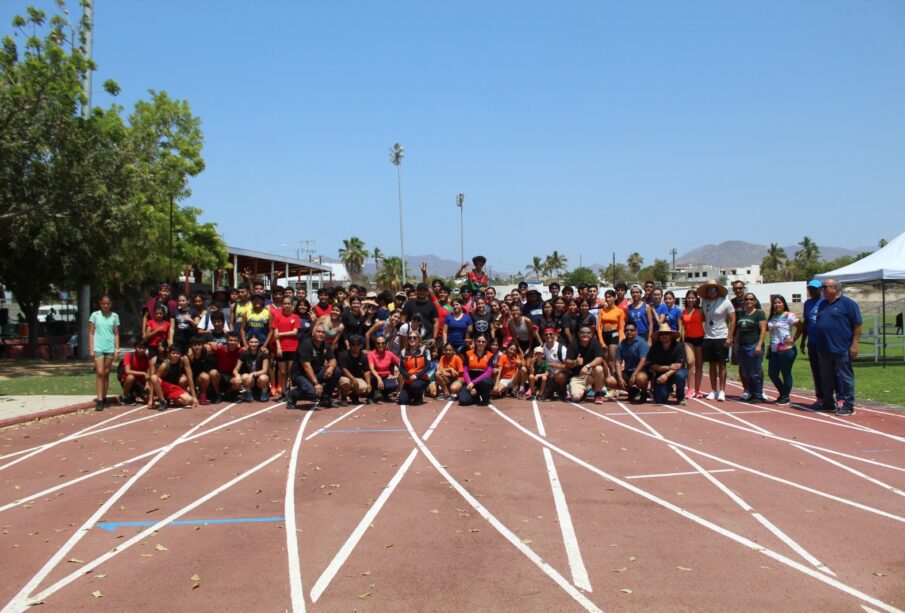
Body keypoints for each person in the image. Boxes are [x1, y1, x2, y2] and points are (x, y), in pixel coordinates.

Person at [814, 278, 862, 415]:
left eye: (825, 287)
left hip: (842, 348)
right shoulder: (822, 304)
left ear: (835, 288)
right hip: (824, 348)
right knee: (826, 377)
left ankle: (848, 404)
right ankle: (828, 401)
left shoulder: (848, 304)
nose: (822, 290)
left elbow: (857, 325)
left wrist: (854, 345)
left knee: (845, 377)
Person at [288, 324, 340, 409]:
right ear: (313, 333)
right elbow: (306, 366)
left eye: (323, 332)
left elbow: (333, 359)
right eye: (318, 332)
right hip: (300, 374)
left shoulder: (325, 345)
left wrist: (330, 368)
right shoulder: (305, 344)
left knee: (336, 371)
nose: (321, 334)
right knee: (312, 393)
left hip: (316, 373)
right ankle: (292, 394)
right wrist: (316, 383)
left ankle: (325, 399)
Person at [699, 280, 735, 401]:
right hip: (709, 337)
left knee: (722, 365)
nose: (711, 291)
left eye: (714, 289)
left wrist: (730, 336)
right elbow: (703, 318)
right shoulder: (704, 302)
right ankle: (713, 390)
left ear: (718, 290)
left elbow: (733, 320)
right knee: (711, 365)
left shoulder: (726, 302)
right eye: (709, 289)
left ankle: (722, 391)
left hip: (722, 336)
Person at [766, 295, 801, 405]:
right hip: (774, 349)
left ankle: (785, 397)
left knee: (786, 373)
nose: (777, 305)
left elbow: (801, 327)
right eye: (775, 303)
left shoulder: (788, 315)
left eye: (779, 302)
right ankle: (783, 393)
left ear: (784, 304)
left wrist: (794, 339)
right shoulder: (773, 317)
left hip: (786, 349)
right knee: (772, 373)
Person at [88, 295, 120, 411]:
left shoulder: (115, 316)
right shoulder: (95, 315)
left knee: (106, 373)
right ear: (100, 304)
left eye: (108, 304)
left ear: (110, 304)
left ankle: (104, 397)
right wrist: (91, 349)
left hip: (110, 348)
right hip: (98, 347)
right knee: (100, 372)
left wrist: (117, 349)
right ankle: (99, 399)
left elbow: (116, 334)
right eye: (103, 304)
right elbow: (91, 333)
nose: (106, 306)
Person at [734, 292, 767, 403]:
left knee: (755, 372)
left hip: (753, 345)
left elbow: (763, 330)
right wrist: (736, 343)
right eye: (746, 299)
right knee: (746, 372)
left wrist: (759, 345)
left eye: (751, 299)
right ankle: (751, 393)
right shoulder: (742, 314)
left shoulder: (759, 314)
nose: (749, 301)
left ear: (755, 301)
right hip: (742, 345)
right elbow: (738, 330)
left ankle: (758, 395)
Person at [606, 322, 650, 403]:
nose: (629, 332)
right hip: (628, 371)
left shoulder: (642, 343)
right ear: (624, 332)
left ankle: (644, 392)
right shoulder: (621, 344)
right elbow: (618, 362)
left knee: (641, 378)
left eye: (631, 330)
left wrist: (634, 375)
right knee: (609, 381)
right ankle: (632, 391)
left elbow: (643, 360)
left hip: (641, 371)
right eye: (627, 330)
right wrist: (619, 377)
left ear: (636, 331)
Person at [800, 280, 826, 409]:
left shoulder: (825, 301)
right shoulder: (808, 303)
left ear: (820, 289)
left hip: (825, 343)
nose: (812, 291)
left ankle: (835, 399)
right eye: (810, 289)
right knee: (816, 371)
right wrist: (803, 341)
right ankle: (820, 397)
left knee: (828, 372)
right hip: (812, 342)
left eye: (814, 289)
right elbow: (806, 322)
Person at [565, 325, 608, 404]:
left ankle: (598, 394)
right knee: (576, 398)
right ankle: (584, 392)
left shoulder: (595, 343)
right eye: (582, 332)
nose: (585, 334)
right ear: (578, 334)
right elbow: (567, 362)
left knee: (599, 369)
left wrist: (587, 366)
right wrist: (575, 362)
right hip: (578, 376)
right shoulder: (573, 344)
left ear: (591, 335)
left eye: (588, 333)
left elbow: (599, 359)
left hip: (591, 374)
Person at [646, 324, 688, 405]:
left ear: (671, 335)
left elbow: (678, 365)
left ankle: (680, 397)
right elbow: (652, 365)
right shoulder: (655, 346)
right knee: (660, 400)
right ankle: (668, 388)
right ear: (659, 336)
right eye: (661, 334)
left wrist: (666, 375)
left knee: (681, 375)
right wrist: (669, 367)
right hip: (661, 375)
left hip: (676, 372)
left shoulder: (679, 346)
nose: (664, 335)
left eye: (666, 333)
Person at [149, 344, 197, 411]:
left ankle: (170, 400)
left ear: (180, 354)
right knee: (154, 377)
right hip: (164, 387)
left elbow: (189, 376)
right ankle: (163, 401)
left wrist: (194, 397)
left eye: (177, 353)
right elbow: (154, 381)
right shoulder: (165, 365)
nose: (175, 355)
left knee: (190, 400)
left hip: (174, 387)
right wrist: (150, 399)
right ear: (169, 354)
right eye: (173, 353)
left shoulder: (182, 361)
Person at [271, 295, 302, 398]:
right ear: (282, 305)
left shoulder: (295, 317)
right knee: (283, 372)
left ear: (292, 305)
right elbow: (275, 334)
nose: (287, 305)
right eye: (285, 303)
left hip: (293, 347)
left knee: (291, 372)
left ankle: (291, 393)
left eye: (289, 304)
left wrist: (281, 334)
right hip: (281, 348)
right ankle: (284, 392)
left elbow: (295, 332)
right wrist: (278, 347)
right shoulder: (277, 316)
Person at [682, 290, 705, 399]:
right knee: (690, 363)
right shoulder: (684, 312)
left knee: (699, 365)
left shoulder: (700, 311)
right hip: (688, 339)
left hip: (700, 339)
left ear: (696, 299)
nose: (691, 299)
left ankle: (697, 389)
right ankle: (690, 389)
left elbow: (705, 322)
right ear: (686, 299)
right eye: (689, 298)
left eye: (693, 298)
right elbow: (681, 327)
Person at [459, 336, 495, 406]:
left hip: (482, 381)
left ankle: (485, 400)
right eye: (478, 341)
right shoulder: (468, 353)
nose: (480, 343)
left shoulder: (490, 355)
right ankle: (476, 397)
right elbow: (465, 371)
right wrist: (470, 385)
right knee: (463, 401)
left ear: (486, 343)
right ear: (475, 342)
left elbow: (488, 373)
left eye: (483, 342)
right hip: (470, 380)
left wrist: (474, 383)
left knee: (486, 381)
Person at [398, 330, 431, 405]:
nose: (412, 339)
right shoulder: (403, 352)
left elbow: (428, 366)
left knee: (415, 385)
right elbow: (401, 368)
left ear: (418, 339)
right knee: (402, 401)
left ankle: (418, 398)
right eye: (410, 338)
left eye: (414, 337)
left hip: (421, 379)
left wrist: (416, 376)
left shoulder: (425, 351)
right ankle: (412, 394)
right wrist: (409, 376)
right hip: (408, 380)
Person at [338, 334, 373, 406]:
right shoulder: (343, 355)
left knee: (364, 387)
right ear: (349, 345)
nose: (355, 346)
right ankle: (343, 398)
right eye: (353, 344)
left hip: (357, 378)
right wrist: (352, 378)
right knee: (345, 383)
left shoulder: (363, 356)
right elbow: (344, 369)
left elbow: (366, 371)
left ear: (361, 345)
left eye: (358, 344)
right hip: (345, 377)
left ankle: (354, 394)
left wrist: (368, 383)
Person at [235, 336, 271, 402]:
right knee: (244, 376)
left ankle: (264, 393)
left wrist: (252, 374)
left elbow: (265, 370)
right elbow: (236, 369)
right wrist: (237, 376)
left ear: (259, 343)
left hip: (259, 380)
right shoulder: (243, 354)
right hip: (249, 380)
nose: (253, 344)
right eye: (251, 342)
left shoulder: (263, 354)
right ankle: (248, 392)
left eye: (255, 342)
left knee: (264, 378)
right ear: (248, 343)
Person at [210, 332, 243, 402]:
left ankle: (229, 393)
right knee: (213, 373)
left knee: (238, 381)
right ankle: (217, 393)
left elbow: (251, 349)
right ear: (227, 341)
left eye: (235, 340)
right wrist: (210, 343)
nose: (233, 342)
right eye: (231, 340)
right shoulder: (221, 348)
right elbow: (206, 347)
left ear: (238, 342)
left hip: (231, 375)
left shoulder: (240, 351)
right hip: (220, 375)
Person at [367, 335, 401, 402]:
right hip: (375, 378)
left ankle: (383, 393)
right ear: (375, 344)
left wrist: (396, 375)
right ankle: (375, 392)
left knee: (393, 385)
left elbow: (401, 364)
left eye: (383, 343)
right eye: (378, 343)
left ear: (386, 344)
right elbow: (371, 369)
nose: (380, 345)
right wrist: (378, 378)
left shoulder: (389, 354)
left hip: (386, 377)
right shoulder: (371, 354)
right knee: (373, 383)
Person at [119, 339, 149, 405]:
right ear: (135, 347)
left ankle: (135, 394)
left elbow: (148, 372)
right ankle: (125, 396)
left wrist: (147, 383)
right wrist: (143, 373)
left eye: (144, 348)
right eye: (139, 348)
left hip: (140, 382)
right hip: (128, 381)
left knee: (148, 400)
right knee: (130, 377)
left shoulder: (146, 358)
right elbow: (127, 371)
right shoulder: (129, 355)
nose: (141, 350)